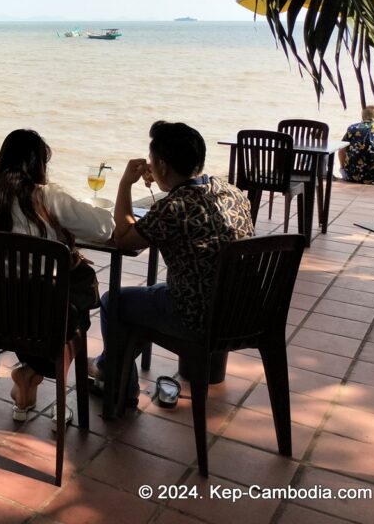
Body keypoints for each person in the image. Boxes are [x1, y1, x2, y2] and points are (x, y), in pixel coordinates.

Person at [90, 121, 254, 406]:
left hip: (197, 316)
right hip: (242, 310)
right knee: (140, 304)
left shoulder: (174, 207)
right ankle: (111, 369)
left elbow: (123, 238)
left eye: (152, 161)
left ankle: (115, 381)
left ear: (162, 166)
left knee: (113, 302)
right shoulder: (233, 192)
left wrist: (125, 184)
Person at [0, 128, 114, 423]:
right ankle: (35, 372)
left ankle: (28, 374)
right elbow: (104, 229)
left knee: (42, 309)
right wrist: (90, 207)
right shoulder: (49, 196)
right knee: (75, 314)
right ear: (38, 163)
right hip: (46, 316)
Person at [339, 105, 374, 185]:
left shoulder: (352, 128)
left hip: (351, 176)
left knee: (344, 169)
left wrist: (342, 168)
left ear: (362, 117)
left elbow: (341, 149)